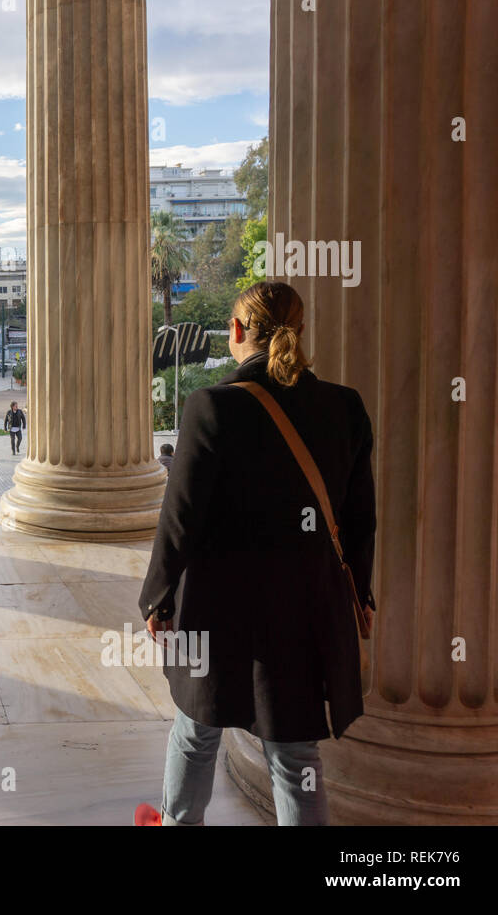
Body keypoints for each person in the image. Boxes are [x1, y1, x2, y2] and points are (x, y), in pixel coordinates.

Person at [135, 281, 376, 828]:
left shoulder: (211, 406)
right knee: (294, 756)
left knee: (196, 733)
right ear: (301, 331)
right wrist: (360, 593)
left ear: (238, 332)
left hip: (219, 607)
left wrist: (158, 597)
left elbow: (181, 519)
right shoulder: (345, 407)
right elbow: (361, 519)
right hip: (308, 608)